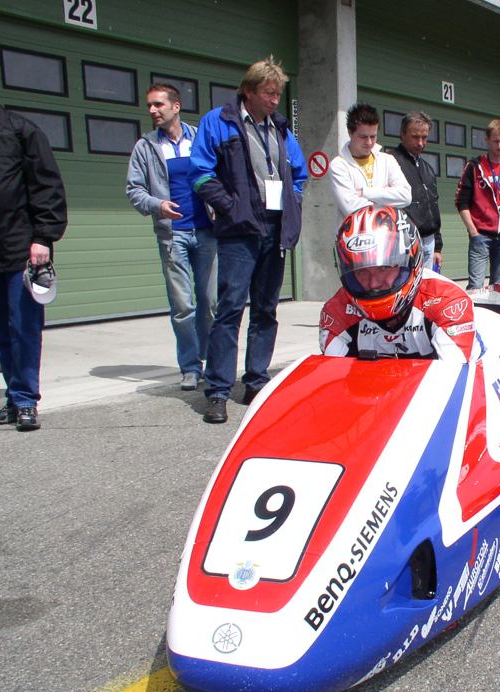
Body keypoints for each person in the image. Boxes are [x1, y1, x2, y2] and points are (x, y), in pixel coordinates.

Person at [190, 56, 307, 424]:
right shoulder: (218, 122)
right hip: (239, 231)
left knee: (266, 310)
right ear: (249, 91)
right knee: (229, 310)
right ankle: (218, 391)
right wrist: (230, 207)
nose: (274, 100)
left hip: (275, 230)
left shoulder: (281, 129)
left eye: (278, 94)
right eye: (269, 93)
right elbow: (200, 173)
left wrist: (293, 202)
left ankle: (256, 382)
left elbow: (299, 174)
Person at [0, 49, 67, 431]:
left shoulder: (19, 130)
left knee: (23, 328)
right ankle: (15, 397)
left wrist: (43, 236)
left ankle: (26, 399)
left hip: (21, 250)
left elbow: (47, 187)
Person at [127, 83, 217, 392]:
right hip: (172, 235)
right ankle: (190, 367)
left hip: (206, 232)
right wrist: (157, 205)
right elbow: (134, 189)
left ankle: (209, 360)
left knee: (209, 302)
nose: (152, 110)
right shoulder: (146, 147)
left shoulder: (200, 139)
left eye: (158, 104)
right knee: (182, 307)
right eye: (150, 105)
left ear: (176, 106)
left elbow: (219, 176)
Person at [320, 206, 478, 362]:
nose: (373, 283)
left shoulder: (447, 302)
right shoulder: (336, 312)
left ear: (411, 261)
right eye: (361, 272)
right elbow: (334, 373)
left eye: (383, 269)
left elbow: (455, 374)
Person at [456, 119, 500, 289]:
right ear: (487, 139)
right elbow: (461, 202)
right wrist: (473, 231)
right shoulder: (474, 167)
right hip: (481, 235)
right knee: (475, 287)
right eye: (496, 141)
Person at [330, 102, 411, 227]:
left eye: (373, 136)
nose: (369, 142)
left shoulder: (387, 160)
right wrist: (388, 198)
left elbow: (405, 196)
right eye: (363, 137)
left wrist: (366, 192)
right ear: (350, 132)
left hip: (386, 235)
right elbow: (351, 209)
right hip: (353, 237)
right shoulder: (339, 165)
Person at [386, 110, 443, 272]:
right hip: (403, 242)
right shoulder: (389, 163)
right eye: (415, 137)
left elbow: (433, 206)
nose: (420, 143)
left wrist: (437, 247)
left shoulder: (427, 168)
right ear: (402, 134)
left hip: (429, 241)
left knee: (426, 285)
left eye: (424, 137)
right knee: (404, 284)